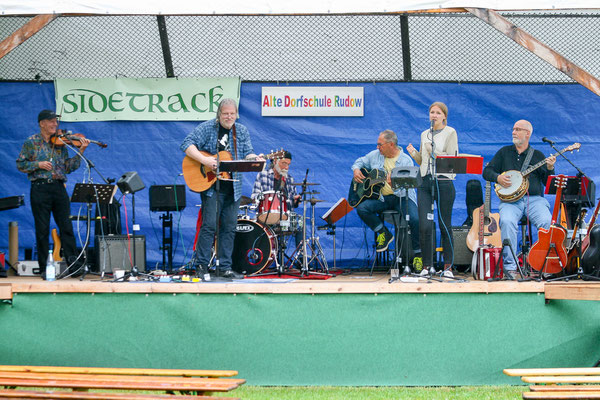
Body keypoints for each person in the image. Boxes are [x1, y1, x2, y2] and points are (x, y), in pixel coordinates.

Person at [181, 98, 263, 280]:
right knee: (209, 226)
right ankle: (201, 266)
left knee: (229, 228)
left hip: (233, 187)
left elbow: (248, 152)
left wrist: (253, 158)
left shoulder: (240, 131)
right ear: (219, 114)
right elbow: (187, 143)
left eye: (232, 114)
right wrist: (205, 161)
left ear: (236, 115)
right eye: (225, 113)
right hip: (211, 187)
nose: (229, 117)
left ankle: (224, 267)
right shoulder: (208, 128)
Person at [16, 109, 90, 279]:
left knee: (67, 228)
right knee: (42, 229)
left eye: (56, 121)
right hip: (40, 188)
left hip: (58, 188)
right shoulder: (31, 142)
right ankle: (44, 268)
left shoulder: (61, 143)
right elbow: (20, 164)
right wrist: (38, 164)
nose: (55, 124)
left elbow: (68, 167)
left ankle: (73, 267)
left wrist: (81, 151)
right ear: (42, 123)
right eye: (51, 121)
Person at [482, 119, 555, 279]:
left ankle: (546, 264)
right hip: (510, 202)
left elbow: (549, 185)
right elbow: (486, 171)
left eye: (518, 129)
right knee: (507, 221)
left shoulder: (538, 155)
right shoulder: (504, 152)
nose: (514, 132)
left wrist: (550, 168)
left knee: (547, 223)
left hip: (534, 200)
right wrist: (498, 178)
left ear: (527, 133)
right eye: (513, 129)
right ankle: (510, 267)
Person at [351, 130, 421, 263]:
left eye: (380, 144)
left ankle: (418, 256)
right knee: (362, 208)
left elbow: (409, 186)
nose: (377, 147)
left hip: (401, 197)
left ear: (391, 144)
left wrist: (394, 185)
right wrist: (356, 169)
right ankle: (384, 233)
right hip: (382, 198)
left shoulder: (405, 160)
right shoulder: (375, 155)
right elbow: (360, 161)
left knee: (415, 219)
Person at [407, 102, 457, 275]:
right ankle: (427, 266)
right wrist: (414, 153)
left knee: (444, 225)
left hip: (443, 181)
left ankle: (448, 266)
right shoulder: (424, 134)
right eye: (431, 112)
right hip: (425, 182)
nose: (434, 115)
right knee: (425, 226)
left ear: (444, 116)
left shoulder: (450, 132)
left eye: (437, 113)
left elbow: (452, 159)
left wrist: (434, 152)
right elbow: (423, 161)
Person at [251, 150, 303, 248]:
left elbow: (292, 204)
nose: (286, 167)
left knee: (300, 225)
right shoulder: (263, 175)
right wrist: (263, 198)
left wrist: (295, 201)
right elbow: (254, 197)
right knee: (259, 230)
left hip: (284, 220)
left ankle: (300, 259)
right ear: (275, 161)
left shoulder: (289, 179)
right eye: (284, 163)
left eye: (288, 164)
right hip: (266, 219)